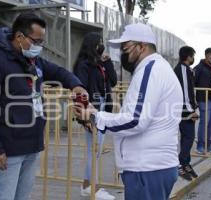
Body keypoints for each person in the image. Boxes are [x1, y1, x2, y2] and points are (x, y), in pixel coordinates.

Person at [0, 13, 86, 200]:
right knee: (3, 196)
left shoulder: (33, 61)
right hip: (8, 148)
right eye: (37, 41)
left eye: (42, 42)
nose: (40, 46)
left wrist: (76, 84)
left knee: (23, 196)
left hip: (32, 143)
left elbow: (58, 71)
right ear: (19, 37)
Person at [74, 23, 183, 200]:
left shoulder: (150, 70)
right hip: (150, 167)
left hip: (147, 169)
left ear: (142, 46)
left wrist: (95, 116)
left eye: (125, 48)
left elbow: (135, 120)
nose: (122, 53)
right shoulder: (154, 68)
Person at [73, 32, 117, 200]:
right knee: (94, 150)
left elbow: (112, 81)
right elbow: (80, 89)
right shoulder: (84, 65)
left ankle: (87, 186)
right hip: (91, 110)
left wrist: (109, 62)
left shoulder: (100, 64)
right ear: (91, 45)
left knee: (96, 150)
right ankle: (93, 188)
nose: (101, 45)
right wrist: (85, 117)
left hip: (104, 109)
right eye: (99, 43)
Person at [174, 46, 198, 181]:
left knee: (186, 138)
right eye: (192, 55)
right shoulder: (182, 69)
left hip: (183, 109)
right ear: (188, 56)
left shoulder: (186, 69)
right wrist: (191, 111)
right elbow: (185, 93)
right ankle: (180, 164)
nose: (193, 58)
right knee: (189, 137)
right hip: (183, 110)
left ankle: (185, 163)